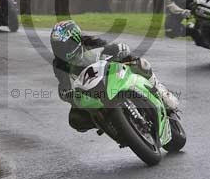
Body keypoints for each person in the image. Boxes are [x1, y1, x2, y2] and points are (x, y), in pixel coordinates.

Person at [49, 20, 179, 132]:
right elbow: (64, 85)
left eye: (64, 45)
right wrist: (67, 94)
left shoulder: (89, 41)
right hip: (90, 91)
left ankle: (161, 91)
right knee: (75, 120)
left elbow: (109, 48)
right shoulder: (59, 64)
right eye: (58, 46)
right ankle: (111, 125)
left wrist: (120, 50)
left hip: (109, 74)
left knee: (140, 64)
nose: (61, 50)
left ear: (76, 39)